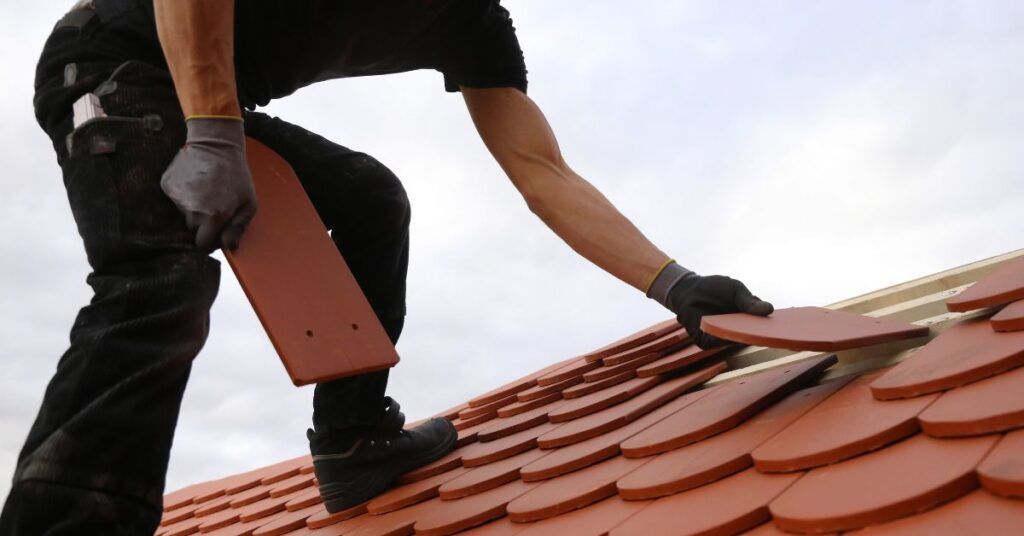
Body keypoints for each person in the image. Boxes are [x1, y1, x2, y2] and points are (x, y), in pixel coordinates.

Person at [1, 0, 773, 533]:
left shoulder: (476, 25)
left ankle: (353, 440)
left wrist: (676, 285)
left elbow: (544, 172)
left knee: (370, 198)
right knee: (160, 281)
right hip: (113, 61)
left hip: (209, 96)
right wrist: (210, 132)